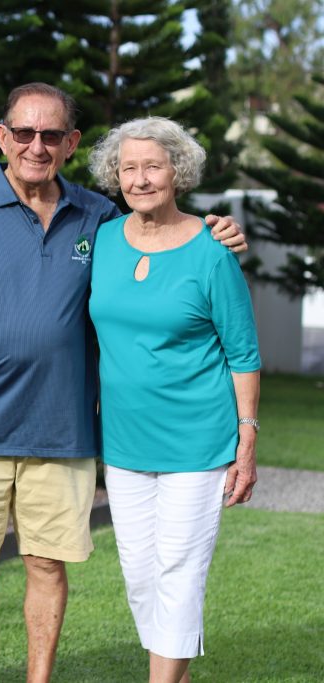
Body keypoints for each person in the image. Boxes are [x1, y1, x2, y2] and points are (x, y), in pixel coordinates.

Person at [0, 83, 247, 683]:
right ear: (3, 137)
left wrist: (221, 232)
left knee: (46, 564)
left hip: (64, 427)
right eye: (25, 133)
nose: (37, 146)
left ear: (71, 144)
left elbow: (163, 242)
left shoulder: (101, 219)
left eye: (52, 135)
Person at [87, 117, 260, 683]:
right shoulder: (104, 239)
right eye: (128, 167)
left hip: (198, 440)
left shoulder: (212, 249)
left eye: (152, 166)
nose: (140, 179)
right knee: (140, 574)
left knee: (179, 569)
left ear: (177, 172)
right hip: (124, 440)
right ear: (115, 175)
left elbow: (243, 352)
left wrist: (248, 435)